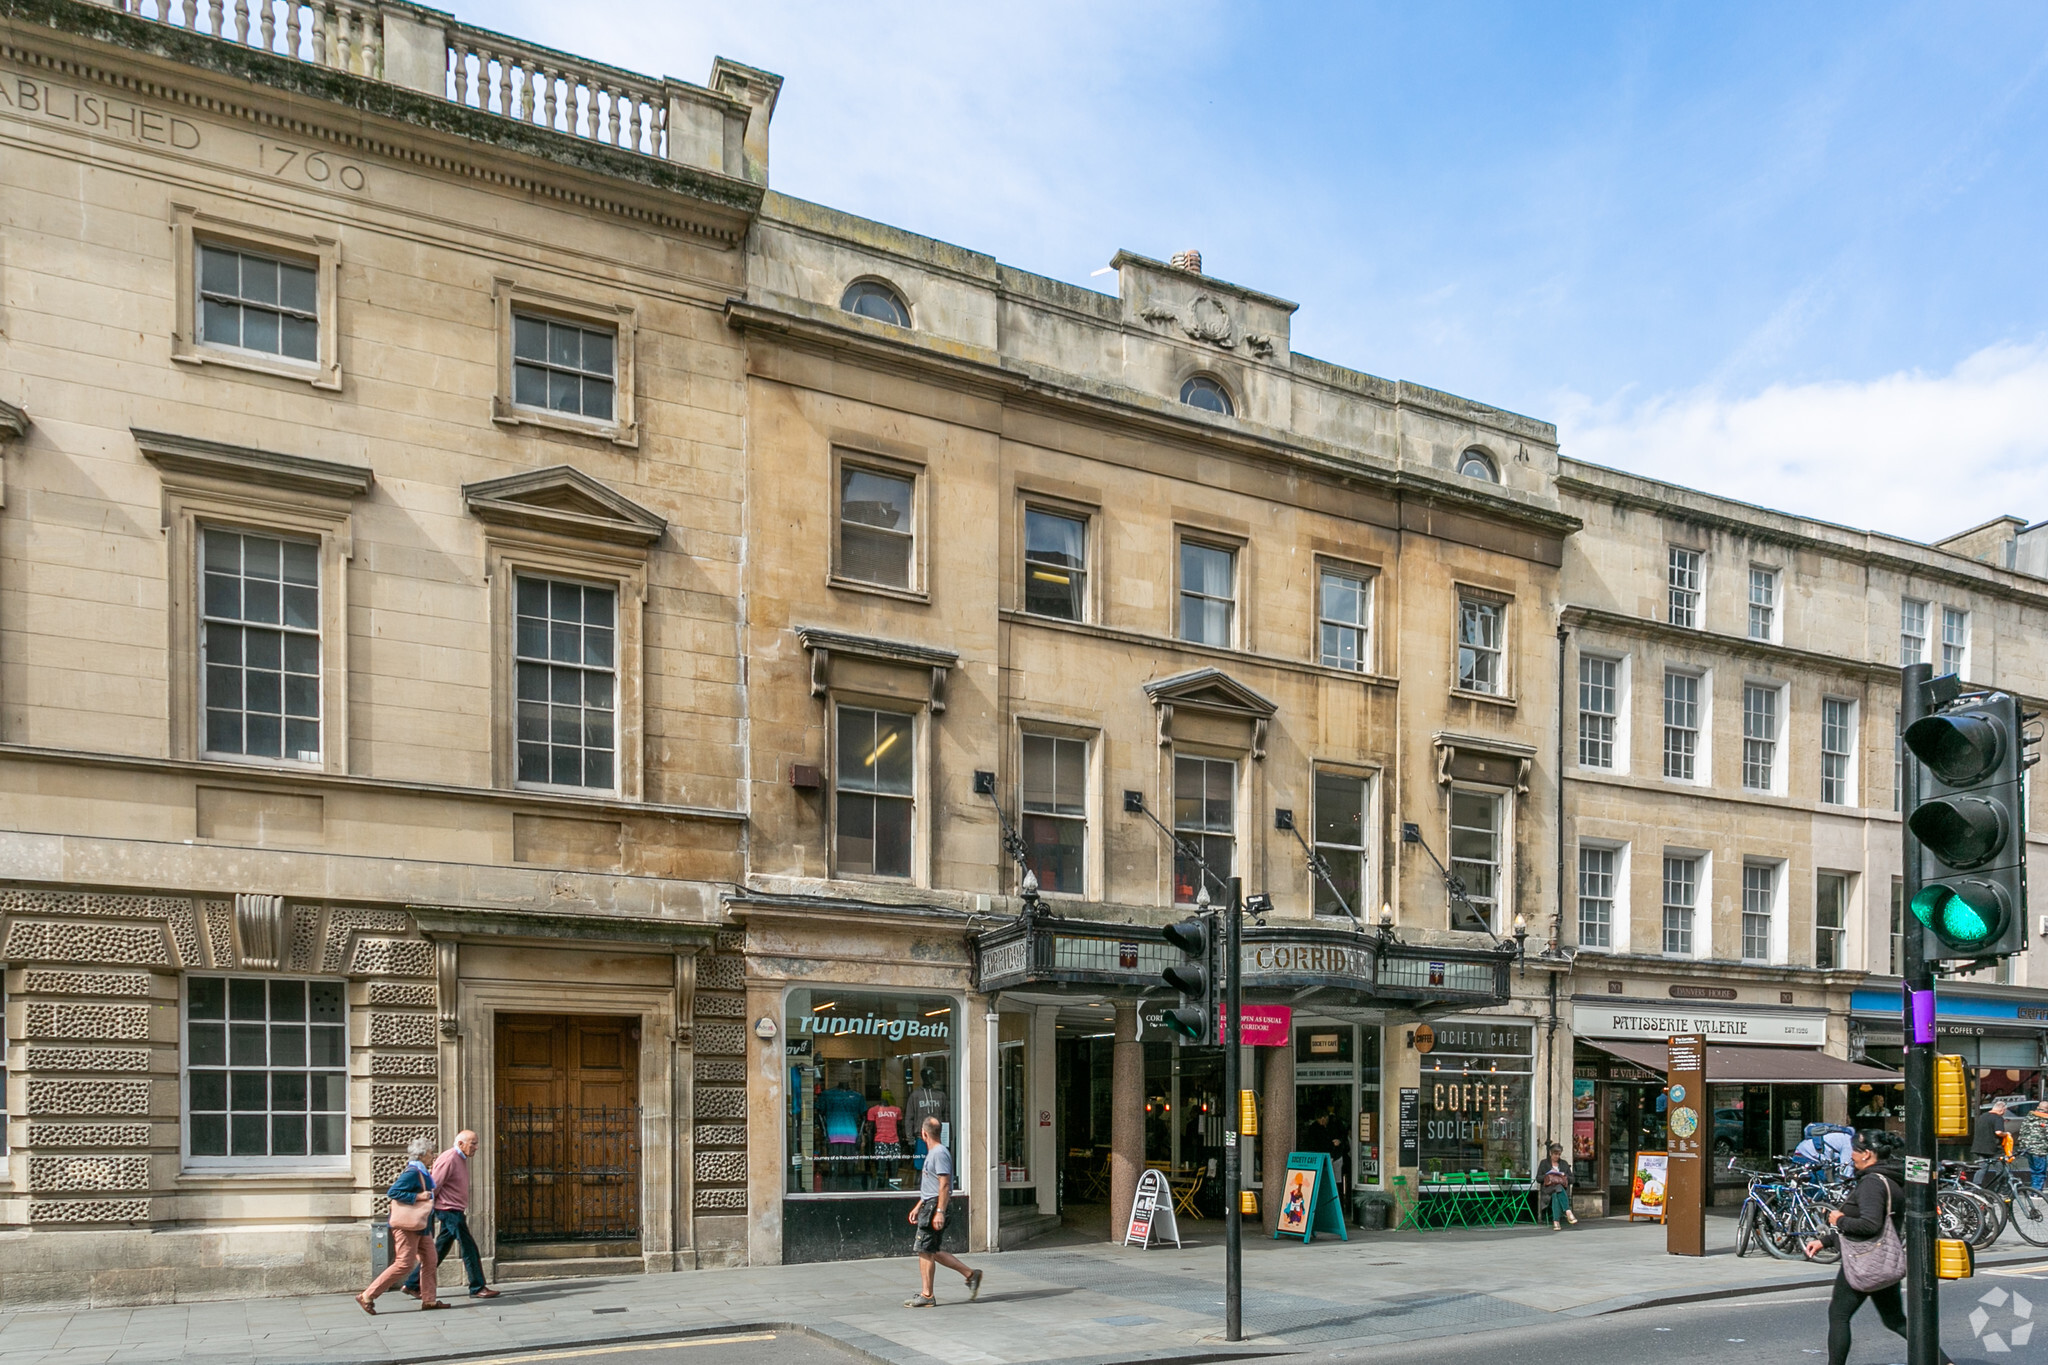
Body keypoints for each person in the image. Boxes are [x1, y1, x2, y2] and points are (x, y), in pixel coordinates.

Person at [1805, 1129, 1953, 1365]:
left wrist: (1838, 1219)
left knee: (1839, 1315)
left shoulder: (1872, 1183)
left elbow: (1869, 1225)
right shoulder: (1892, 1178)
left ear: (1867, 1154)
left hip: (1865, 1261)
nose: (1851, 1155)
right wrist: (1825, 1241)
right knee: (1895, 1320)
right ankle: (1944, 1362)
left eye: (1855, 1150)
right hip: (1885, 1259)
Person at [401, 1130, 501, 1301]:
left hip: (453, 1209)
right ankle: (477, 1287)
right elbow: (435, 1184)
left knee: (440, 1248)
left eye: (476, 1143)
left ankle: (412, 1284)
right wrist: (428, 1209)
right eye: (473, 1143)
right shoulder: (449, 1158)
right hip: (448, 1210)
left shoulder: (460, 1158)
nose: (477, 1147)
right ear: (461, 1144)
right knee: (469, 1246)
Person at [357, 1137, 449, 1314]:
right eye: (430, 1153)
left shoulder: (423, 1173)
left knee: (430, 1260)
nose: (433, 1156)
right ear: (421, 1155)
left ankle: (429, 1300)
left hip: (421, 1226)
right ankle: (367, 1295)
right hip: (407, 1226)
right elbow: (394, 1192)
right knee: (404, 1264)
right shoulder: (413, 1172)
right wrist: (418, 1197)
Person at [903, 1114, 982, 1308]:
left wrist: (939, 1211)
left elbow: (945, 1185)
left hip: (934, 1207)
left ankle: (927, 1295)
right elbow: (931, 1185)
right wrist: (918, 1205)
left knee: (924, 1250)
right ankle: (971, 1274)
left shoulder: (938, 1153)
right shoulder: (935, 1152)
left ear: (923, 1134)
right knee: (933, 1250)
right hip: (929, 1204)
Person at [1790, 1123, 1855, 1177]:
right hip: (1808, 1157)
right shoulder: (1849, 1141)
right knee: (1815, 1188)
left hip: (1801, 1152)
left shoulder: (1841, 1135)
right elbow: (1846, 1170)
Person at [1538, 1141, 1575, 1229]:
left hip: (1560, 1191)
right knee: (1557, 1188)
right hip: (1547, 1190)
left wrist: (1564, 1176)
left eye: (1559, 1154)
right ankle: (1568, 1211)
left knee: (1556, 1193)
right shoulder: (1544, 1163)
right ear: (1551, 1153)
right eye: (1555, 1154)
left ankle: (1556, 1222)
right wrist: (1548, 1175)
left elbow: (1572, 1179)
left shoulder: (1564, 1164)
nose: (1557, 1156)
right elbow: (1538, 1178)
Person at [1973, 1098, 2010, 1185]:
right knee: (2001, 1171)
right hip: (1994, 1149)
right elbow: (1998, 1132)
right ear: (2002, 1110)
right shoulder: (1998, 1118)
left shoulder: (1982, 1116)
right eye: (2005, 1111)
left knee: (1981, 1169)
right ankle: (2002, 1190)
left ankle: (1975, 1187)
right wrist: (2006, 1134)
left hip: (1980, 1148)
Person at [2018, 1104, 2048, 1192]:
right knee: (2039, 1172)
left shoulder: (2028, 1118)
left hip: (2028, 1149)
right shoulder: (2045, 1119)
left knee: (2034, 1171)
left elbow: (2022, 1133)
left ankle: (2033, 1190)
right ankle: (2036, 1192)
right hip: (2040, 1150)